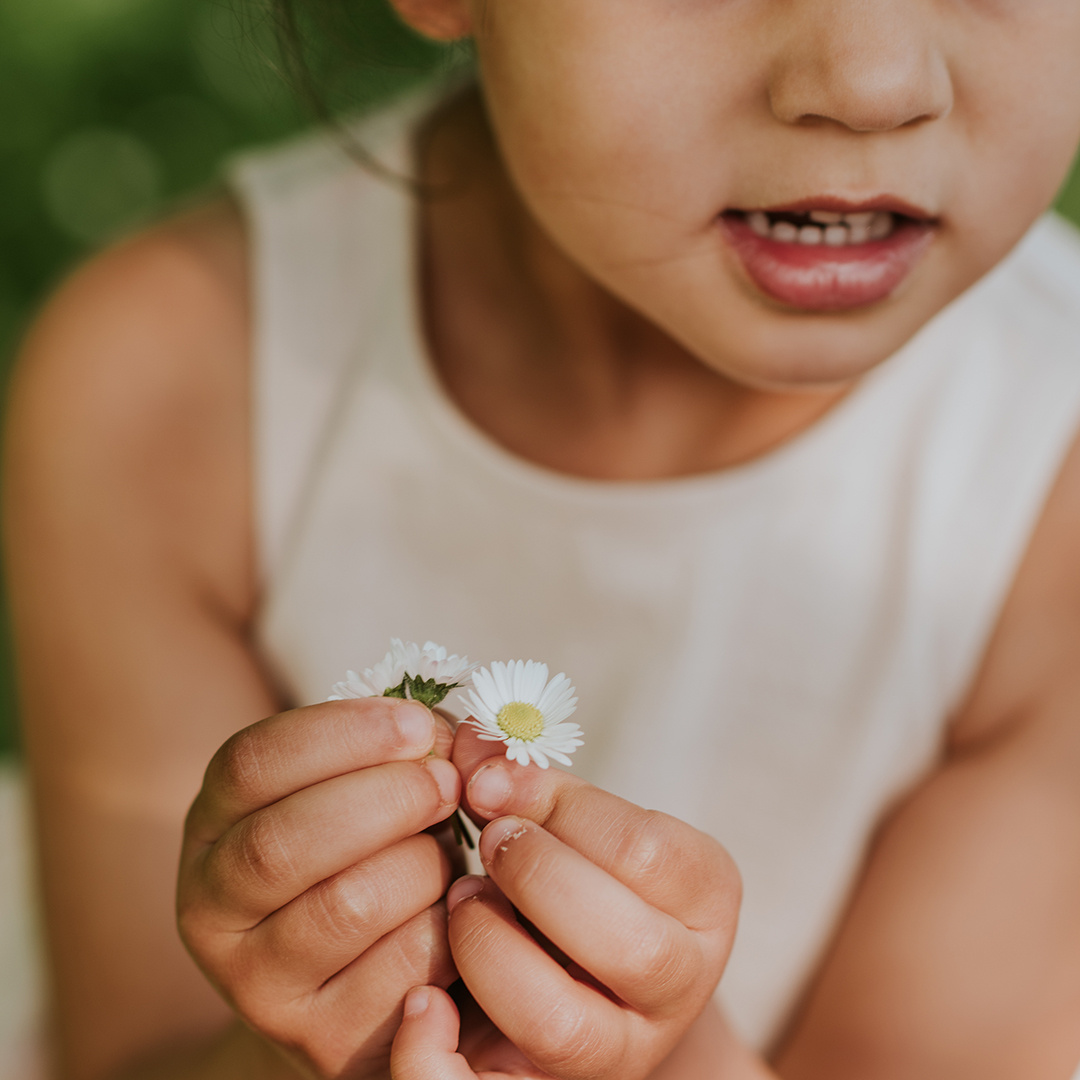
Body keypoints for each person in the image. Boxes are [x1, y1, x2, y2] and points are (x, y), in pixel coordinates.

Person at [5, 0, 1080, 1078]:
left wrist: (665, 1057)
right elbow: (137, 1054)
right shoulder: (167, 394)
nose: (876, 82)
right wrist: (297, 1047)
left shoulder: (1050, 482)